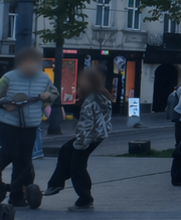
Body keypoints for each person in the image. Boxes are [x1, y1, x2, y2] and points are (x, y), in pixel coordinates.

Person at [44, 67, 112, 210]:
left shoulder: (92, 99)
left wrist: (80, 143)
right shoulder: (102, 95)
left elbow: (86, 125)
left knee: (77, 166)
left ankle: (84, 198)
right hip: (96, 136)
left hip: (89, 137)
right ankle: (56, 183)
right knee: (66, 150)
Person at [0, 47, 58, 210]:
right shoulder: (8, 78)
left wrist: (49, 96)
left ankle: (16, 195)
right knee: (9, 153)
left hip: (31, 125)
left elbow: (54, 92)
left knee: (24, 162)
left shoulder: (44, 78)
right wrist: (7, 104)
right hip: (9, 123)